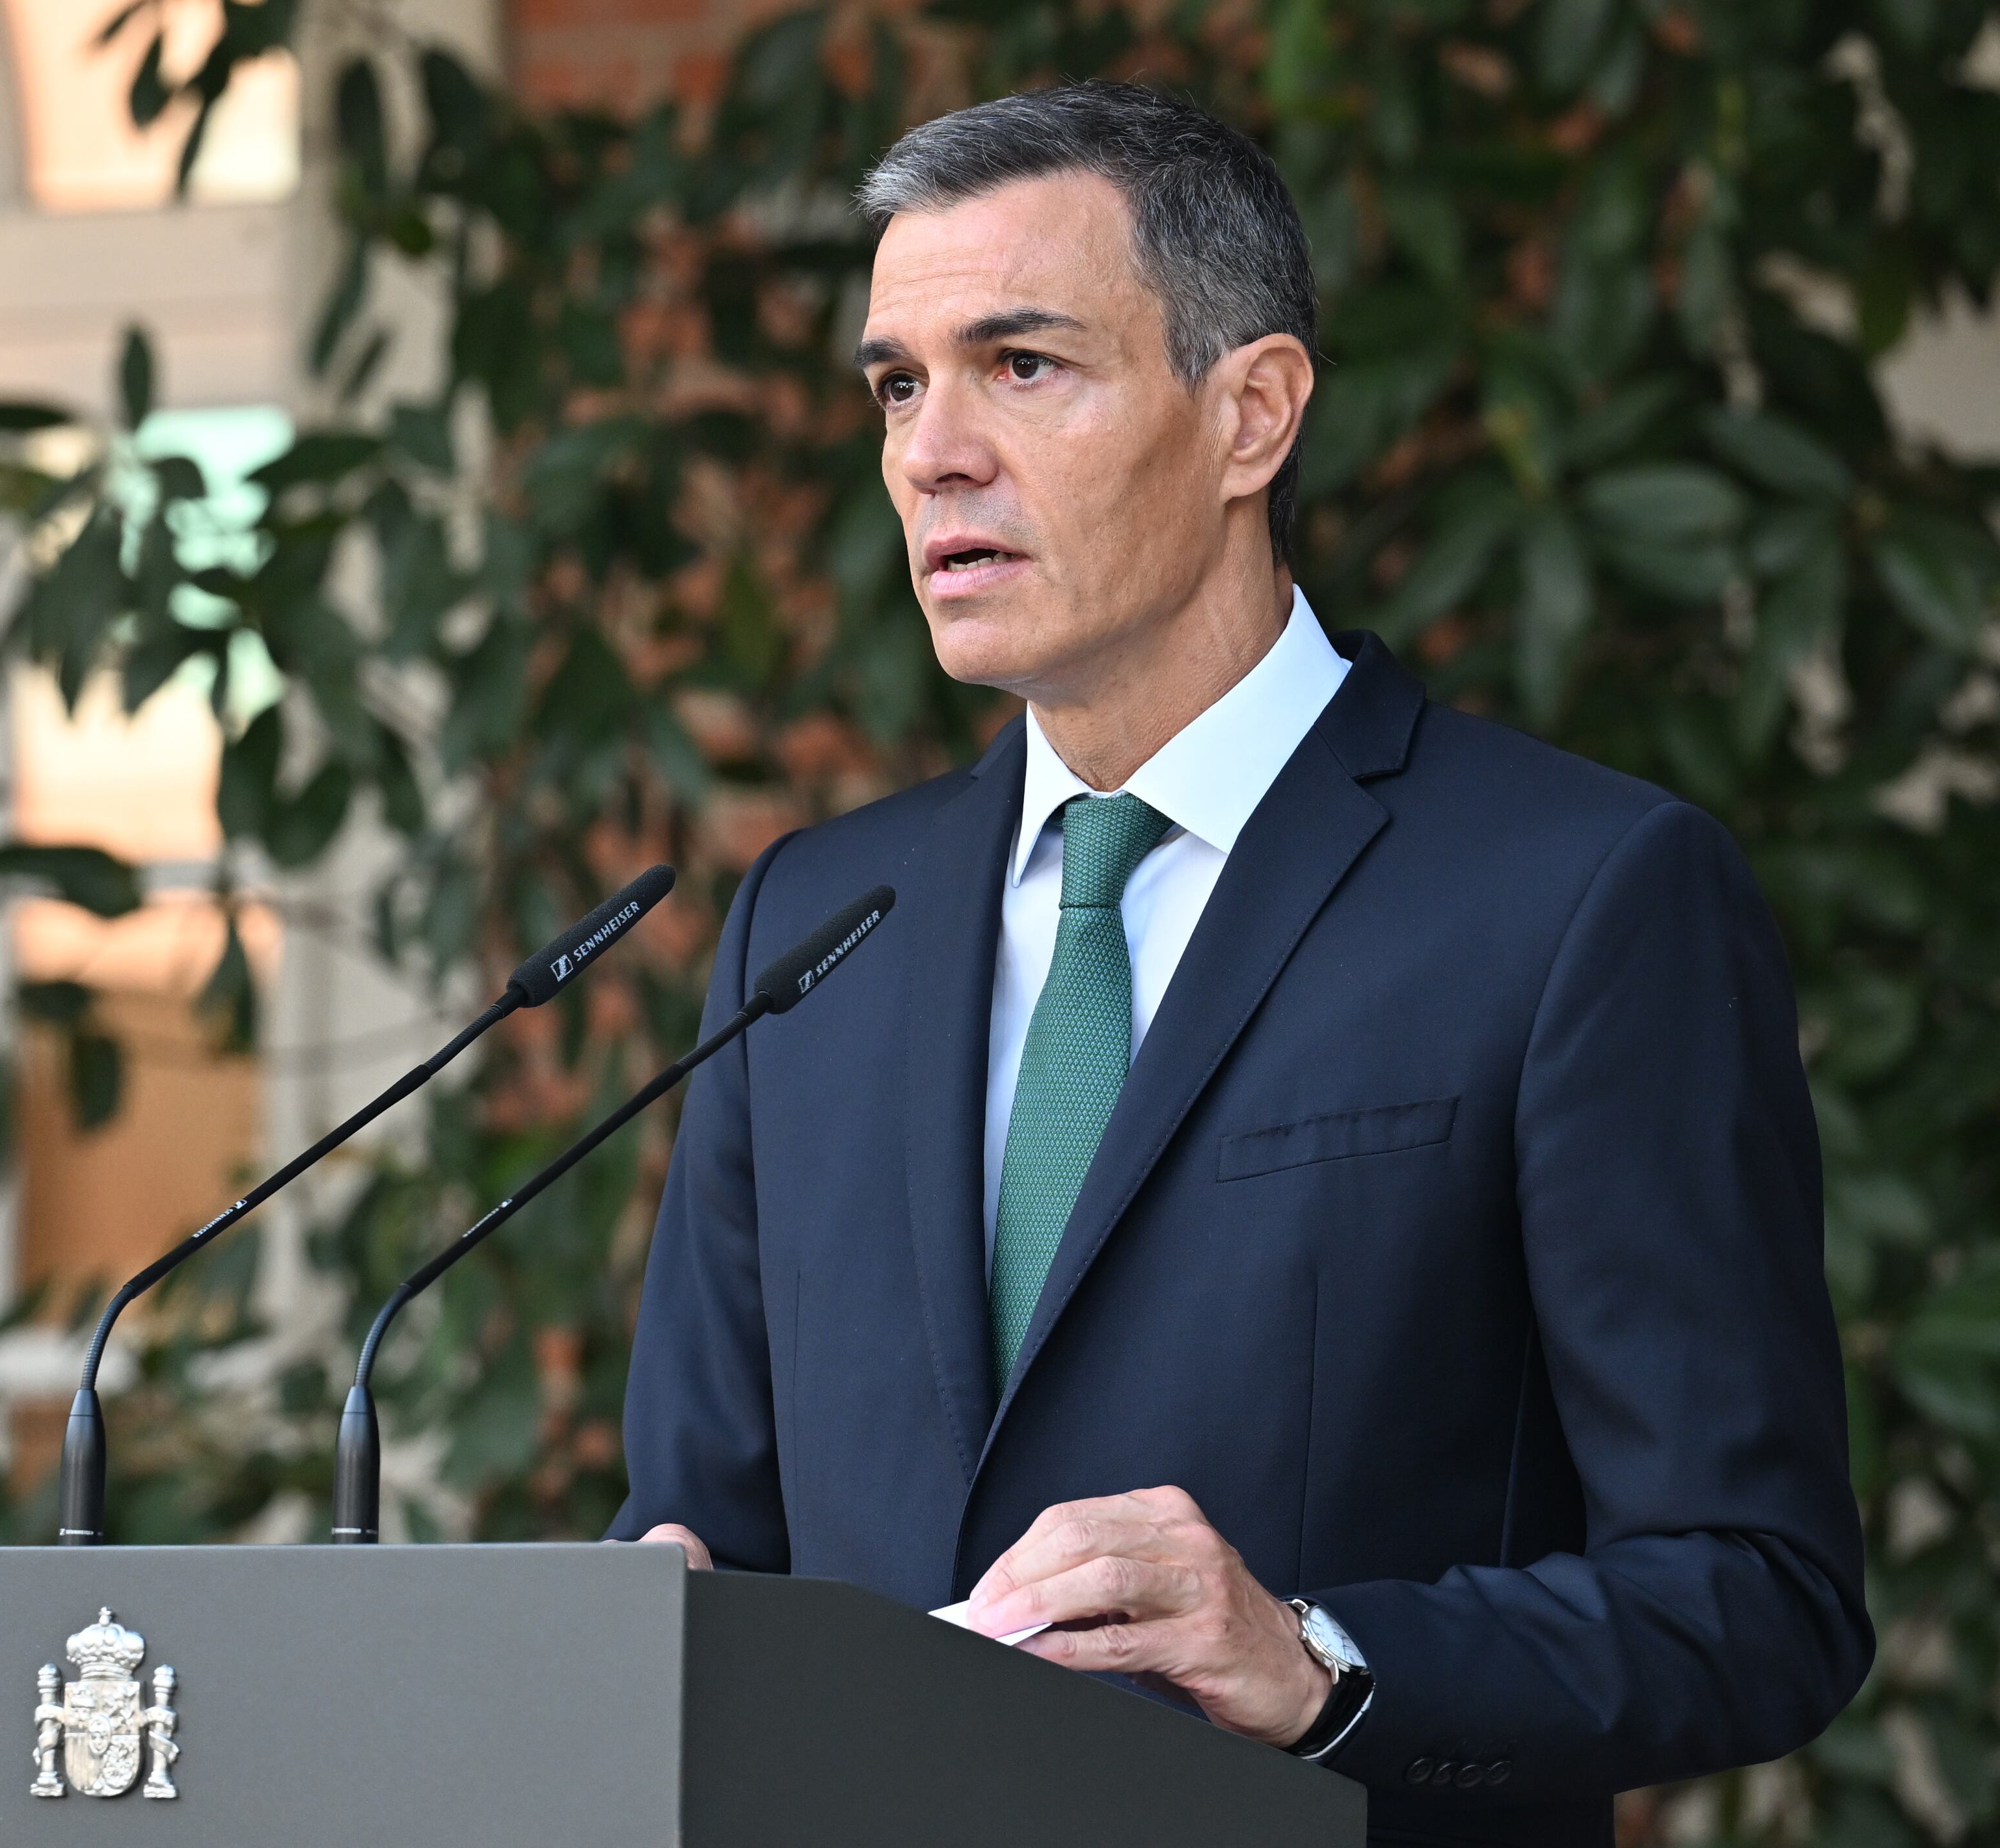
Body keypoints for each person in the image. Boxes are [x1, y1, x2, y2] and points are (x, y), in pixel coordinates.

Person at [610, 80, 1870, 1845]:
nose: (930, 450)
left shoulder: (1584, 897)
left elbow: (1756, 1596)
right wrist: (637, 1610)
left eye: (1022, 365)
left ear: (1251, 415)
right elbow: (704, 1533)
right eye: (899, 383)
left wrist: (1318, 1659)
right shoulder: (816, 925)